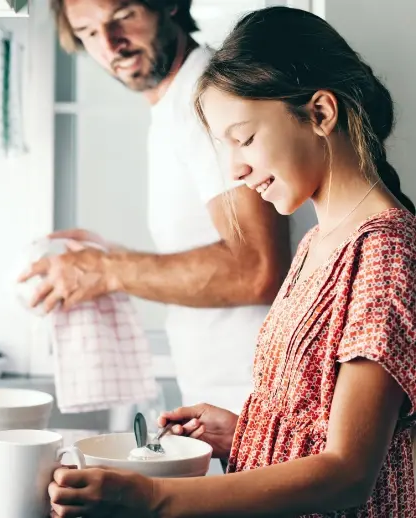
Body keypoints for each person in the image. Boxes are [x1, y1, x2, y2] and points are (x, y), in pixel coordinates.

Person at [47, 6, 416, 517]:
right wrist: (244, 433)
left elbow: (349, 473)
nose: (237, 169)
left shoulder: (384, 251)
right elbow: (322, 430)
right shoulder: (319, 244)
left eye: (244, 139)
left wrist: (154, 497)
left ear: (320, 113)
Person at [20, 0, 290, 415]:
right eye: (88, 33)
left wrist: (106, 270)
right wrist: (114, 259)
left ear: (169, 5)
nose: (111, 45)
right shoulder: (176, 103)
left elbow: (256, 269)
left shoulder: (206, 96)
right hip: (235, 408)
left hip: (264, 404)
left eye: (122, 16)